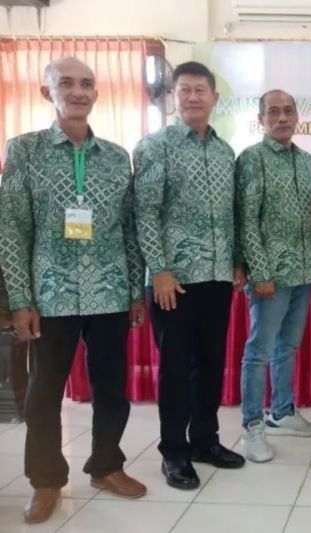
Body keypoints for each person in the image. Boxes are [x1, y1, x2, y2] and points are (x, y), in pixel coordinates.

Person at [0, 57, 147, 524]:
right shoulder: (25, 150)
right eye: (67, 83)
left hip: (107, 289)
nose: (78, 91)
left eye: (87, 83)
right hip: (51, 292)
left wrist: (134, 289)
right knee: (43, 394)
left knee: (112, 388)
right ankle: (46, 482)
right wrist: (20, 299)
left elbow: (128, 229)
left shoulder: (115, 155)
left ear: (97, 93)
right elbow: (12, 228)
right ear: (48, 93)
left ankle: (106, 466)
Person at [134, 61, 246, 490]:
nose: (194, 97)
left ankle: (205, 441)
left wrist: (235, 261)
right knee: (176, 369)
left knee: (211, 365)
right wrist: (158, 270)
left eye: (202, 90)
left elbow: (231, 215)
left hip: (217, 278)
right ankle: (173, 453)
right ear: (174, 97)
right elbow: (145, 212)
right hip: (173, 282)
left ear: (215, 98)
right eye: (186, 90)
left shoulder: (225, 152)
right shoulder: (155, 146)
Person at [236, 89, 311, 463]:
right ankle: (252, 425)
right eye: (274, 112)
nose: (282, 118)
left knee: (288, 346)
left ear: (297, 116)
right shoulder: (251, 160)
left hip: (304, 272)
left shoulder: (305, 161)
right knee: (259, 351)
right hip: (269, 275)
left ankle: (283, 411)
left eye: (288, 111)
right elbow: (246, 221)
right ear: (261, 119)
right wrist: (259, 271)